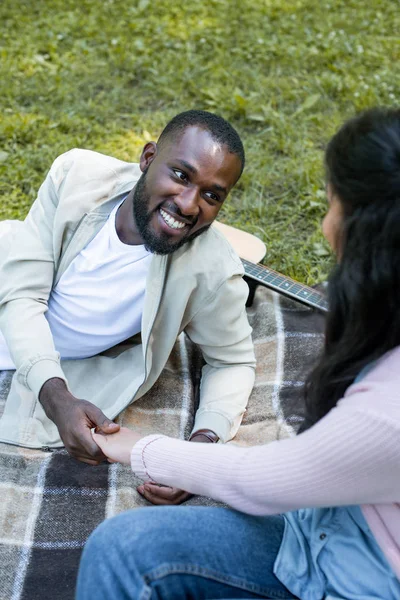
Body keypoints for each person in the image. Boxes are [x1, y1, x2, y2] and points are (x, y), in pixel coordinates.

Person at [76, 107, 400, 600]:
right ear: (147, 160)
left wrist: (138, 447)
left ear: (362, 228)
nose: (322, 222)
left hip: (357, 579)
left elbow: (267, 480)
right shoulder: (381, 317)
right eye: (180, 176)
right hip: (323, 532)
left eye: (332, 200)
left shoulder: (389, 413)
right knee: (125, 548)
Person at [0, 110, 256, 505]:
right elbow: (22, 295)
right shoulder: (76, 177)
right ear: (148, 158)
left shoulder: (212, 270)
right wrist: (55, 395)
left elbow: (234, 362)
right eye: (181, 175)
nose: (188, 205)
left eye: (212, 195)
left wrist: (198, 451)